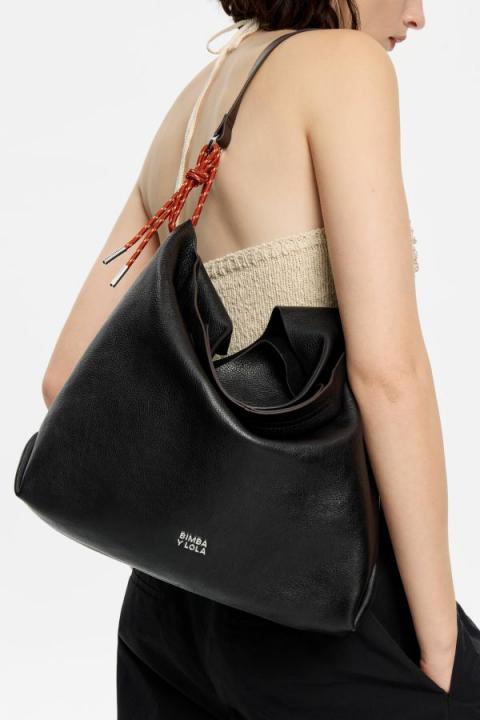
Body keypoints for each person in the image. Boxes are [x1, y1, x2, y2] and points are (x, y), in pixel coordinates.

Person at [41, 1, 480, 717]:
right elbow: (388, 374)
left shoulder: (197, 98)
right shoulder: (345, 64)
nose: (419, 14)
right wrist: (439, 640)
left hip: (167, 607)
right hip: (318, 603)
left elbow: (66, 377)